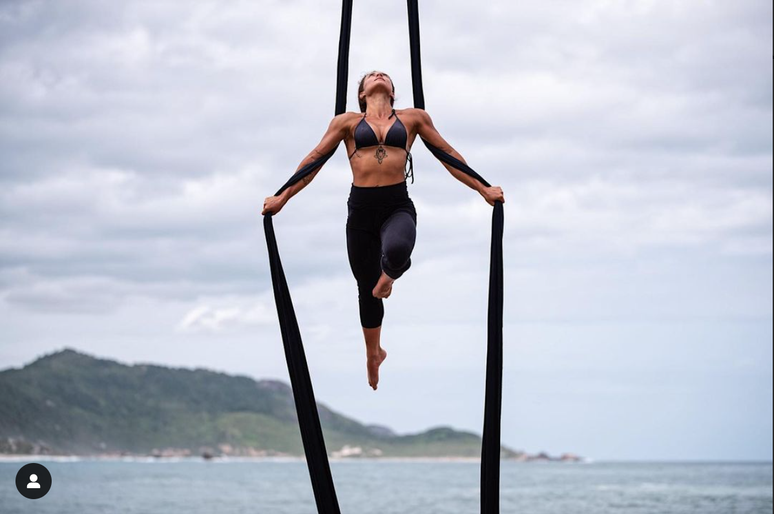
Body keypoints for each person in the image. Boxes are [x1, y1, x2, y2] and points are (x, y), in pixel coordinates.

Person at [262, 71, 505, 391]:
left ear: (393, 91)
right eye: (371, 76)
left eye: (384, 75)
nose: (378, 75)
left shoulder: (414, 118)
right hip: (360, 212)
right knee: (365, 287)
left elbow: (449, 156)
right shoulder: (345, 123)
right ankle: (373, 353)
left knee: (397, 251)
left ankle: (388, 277)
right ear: (362, 93)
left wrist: (483, 189)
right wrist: (283, 197)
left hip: (396, 206)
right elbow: (313, 162)